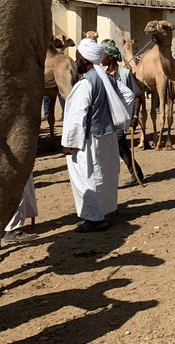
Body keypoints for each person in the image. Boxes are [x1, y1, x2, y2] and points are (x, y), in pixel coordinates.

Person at [61, 38, 135, 232]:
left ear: (85, 60)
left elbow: (77, 116)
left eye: (77, 57)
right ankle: (107, 211)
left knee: (87, 178)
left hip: (89, 139)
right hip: (108, 135)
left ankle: (95, 219)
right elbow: (127, 95)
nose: (75, 60)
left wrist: (68, 142)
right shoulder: (107, 78)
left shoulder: (86, 84)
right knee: (106, 175)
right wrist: (118, 117)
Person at [102, 40, 145, 186]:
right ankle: (136, 173)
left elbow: (137, 96)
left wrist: (134, 116)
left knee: (120, 145)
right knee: (119, 148)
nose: (102, 58)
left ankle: (135, 174)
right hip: (108, 117)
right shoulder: (104, 75)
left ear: (111, 57)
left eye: (104, 55)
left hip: (122, 117)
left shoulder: (125, 74)